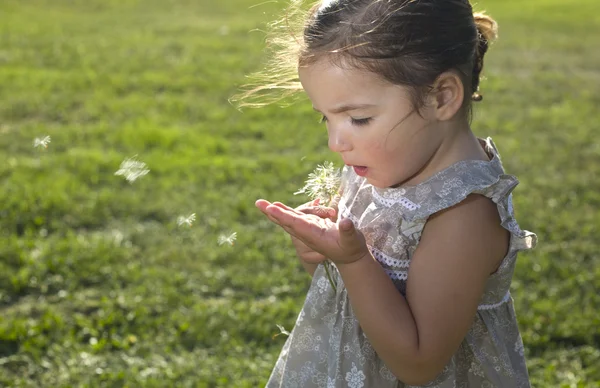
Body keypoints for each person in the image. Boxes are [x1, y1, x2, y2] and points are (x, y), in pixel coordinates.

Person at [237, 0, 537, 386]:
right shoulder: (380, 167)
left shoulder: (462, 213)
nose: (335, 142)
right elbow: (353, 304)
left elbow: (418, 363)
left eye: (358, 119)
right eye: (325, 117)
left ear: (441, 97)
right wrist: (322, 258)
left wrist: (353, 262)